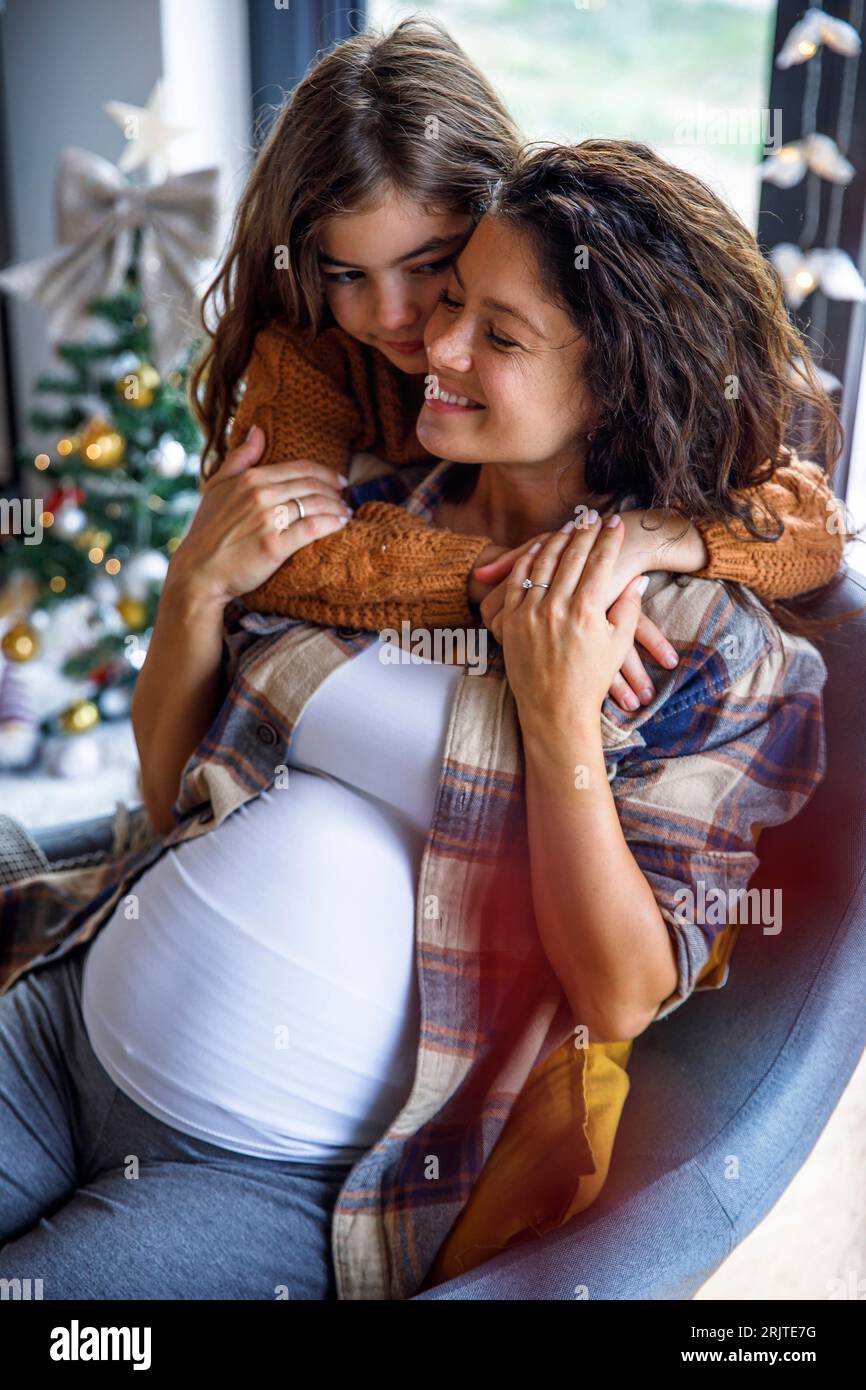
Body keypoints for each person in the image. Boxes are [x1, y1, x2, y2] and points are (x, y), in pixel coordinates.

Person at [0, 132, 834, 1300]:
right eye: (450, 301)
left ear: (618, 380)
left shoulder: (709, 649)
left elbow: (621, 991)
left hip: (273, 1172)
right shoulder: (368, 497)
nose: (427, 345)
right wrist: (197, 582)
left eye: (496, 334)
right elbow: (178, 777)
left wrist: (553, 720)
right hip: (66, 1016)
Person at [133, 16, 847, 838]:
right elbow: (292, 557)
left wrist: (651, 539)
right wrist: (534, 584)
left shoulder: (580, 353)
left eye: (432, 266)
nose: (404, 322)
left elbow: (808, 520)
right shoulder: (314, 360)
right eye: (347, 274)